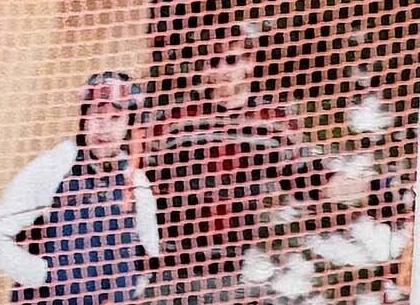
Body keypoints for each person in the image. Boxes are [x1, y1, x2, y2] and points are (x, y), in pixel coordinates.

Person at [141, 25, 374, 303]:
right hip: (169, 264)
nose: (221, 69)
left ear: (250, 61)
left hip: (231, 265)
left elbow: (305, 178)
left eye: (231, 59)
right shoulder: (173, 120)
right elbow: (140, 180)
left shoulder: (272, 121)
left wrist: (373, 190)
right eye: (212, 61)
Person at [0, 72, 161, 305]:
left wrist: (128, 292)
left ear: (128, 124)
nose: (104, 128)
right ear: (84, 118)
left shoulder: (136, 183)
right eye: (97, 115)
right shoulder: (53, 167)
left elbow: (149, 258)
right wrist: (46, 276)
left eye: (116, 118)